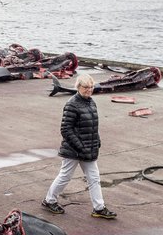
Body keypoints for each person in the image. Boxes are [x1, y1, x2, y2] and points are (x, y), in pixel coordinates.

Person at [42, 73, 117, 219]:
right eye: (86, 87)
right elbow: (65, 129)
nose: (89, 90)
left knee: (94, 178)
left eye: (91, 87)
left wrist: (97, 140)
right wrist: (80, 146)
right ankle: (49, 200)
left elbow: (92, 125)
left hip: (89, 148)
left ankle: (99, 208)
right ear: (78, 87)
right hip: (73, 150)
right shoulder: (71, 104)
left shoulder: (91, 102)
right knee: (65, 176)